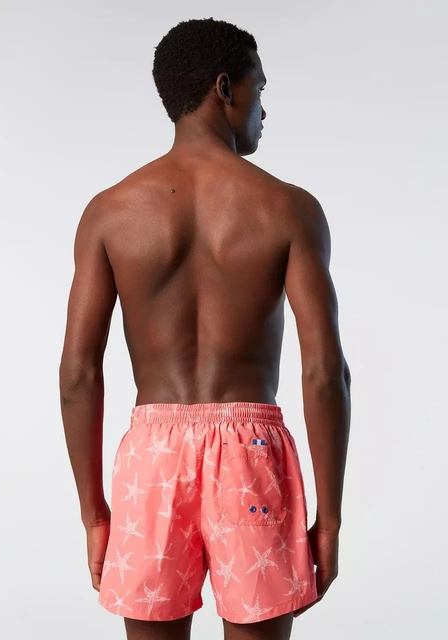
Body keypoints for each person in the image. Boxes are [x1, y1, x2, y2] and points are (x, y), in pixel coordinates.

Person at [59, 17, 351, 640]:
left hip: (152, 460)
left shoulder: (110, 212)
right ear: (225, 88)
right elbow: (325, 373)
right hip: (251, 457)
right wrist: (328, 521)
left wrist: (94, 515)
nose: (264, 110)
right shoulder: (288, 208)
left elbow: (78, 375)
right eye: (259, 89)